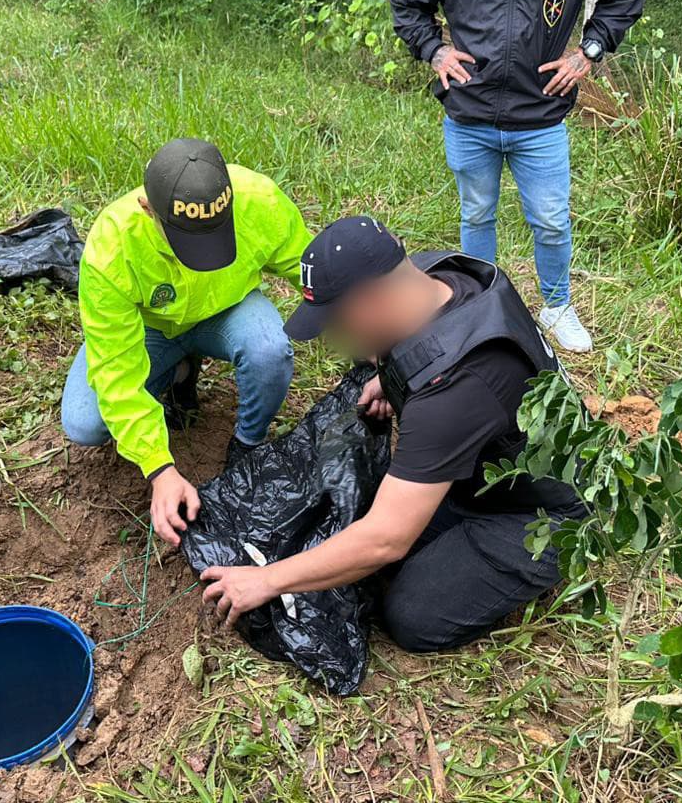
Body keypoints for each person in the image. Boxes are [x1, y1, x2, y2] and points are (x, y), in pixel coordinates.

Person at [199, 215, 588, 652]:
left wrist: (267, 580)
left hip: (541, 512)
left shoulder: (455, 393)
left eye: (341, 324)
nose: (341, 340)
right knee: (353, 537)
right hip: (489, 466)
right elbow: (437, 347)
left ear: (371, 298)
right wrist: (395, 376)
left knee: (412, 616)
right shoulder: (442, 276)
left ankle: (552, 558)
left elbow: (386, 538)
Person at [388, 0, 648, 354]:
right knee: (477, 213)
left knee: (551, 220)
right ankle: (478, 306)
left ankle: (556, 306)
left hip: (541, 118)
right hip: (469, 114)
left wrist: (588, 51)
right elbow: (407, 4)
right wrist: (435, 51)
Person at [62, 138, 311, 547]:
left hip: (226, 312)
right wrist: (160, 468)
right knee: (84, 422)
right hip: (151, 330)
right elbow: (116, 376)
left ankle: (248, 442)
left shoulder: (259, 201)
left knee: (270, 349)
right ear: (147, 209)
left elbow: (312, 272)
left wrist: (370, 331)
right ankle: (179, 370)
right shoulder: (112, 247)